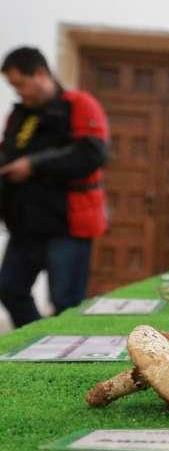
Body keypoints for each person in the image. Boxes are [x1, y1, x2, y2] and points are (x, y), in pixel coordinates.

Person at [0, 46, 109, 327]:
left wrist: (34, 165)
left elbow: (92, 154)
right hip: (26, 224)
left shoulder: (80, 104)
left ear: (40, 73)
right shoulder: (19, 116)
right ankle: (36, 343)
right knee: (10, 288)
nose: (18, 92)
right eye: (13, 86)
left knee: (66, 304)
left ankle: (62, 359)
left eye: (21, 84)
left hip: (68, 224)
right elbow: (9, 153)